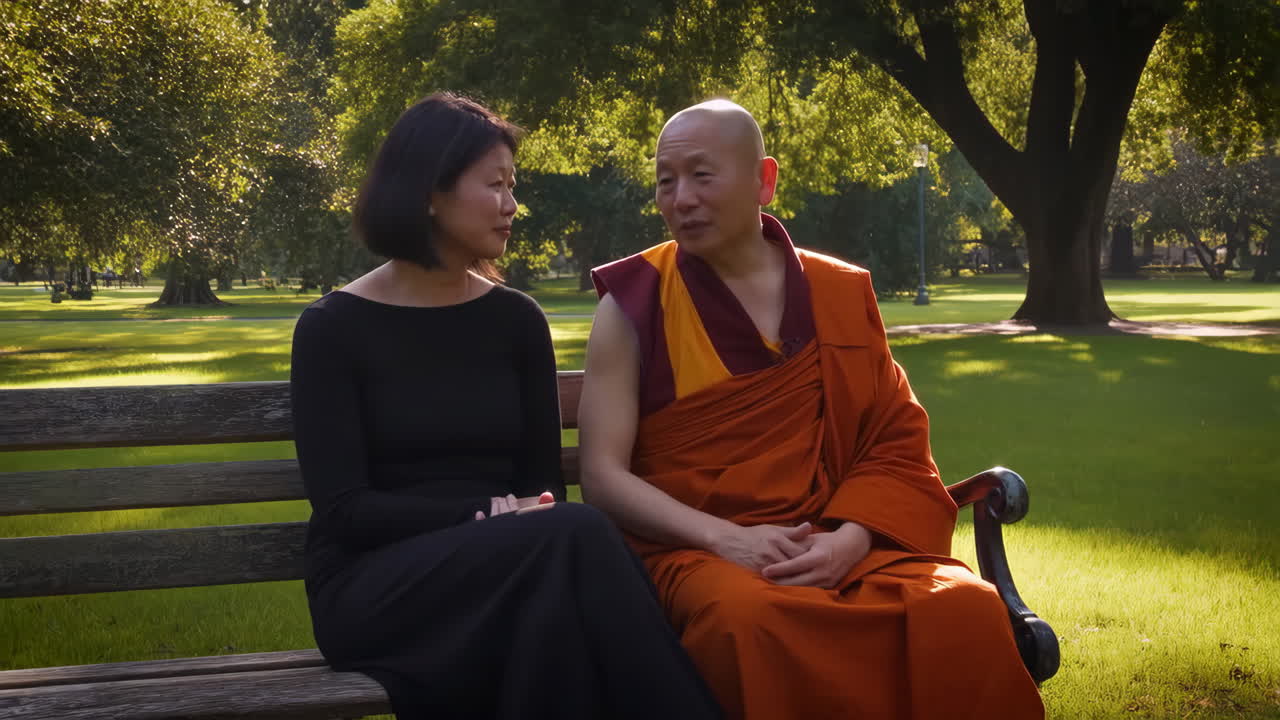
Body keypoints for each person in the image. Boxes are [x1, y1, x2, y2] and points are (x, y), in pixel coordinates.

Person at [578, 99, 1045, 720]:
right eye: (666, 180)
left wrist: (851, 540)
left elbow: (893, 440)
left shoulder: (839, 291)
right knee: (750, 621)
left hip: (841, 537)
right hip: (700, 550)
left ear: (763, 181)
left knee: (961, 605)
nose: (680, 198)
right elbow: (602, 477)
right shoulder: (634, 302)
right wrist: (730, 541)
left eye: (702, 175)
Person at [290, 92, 722, 720]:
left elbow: (542, 485)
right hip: (376, 586)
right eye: (495, 185)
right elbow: (345, 511)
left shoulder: (515, 320)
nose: (512, 205)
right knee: (571, 545)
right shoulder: (333, 328)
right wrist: (484, 514)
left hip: (517, 562)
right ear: (430, 192)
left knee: (553, 602)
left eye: (512, 185)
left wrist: (510, 520)